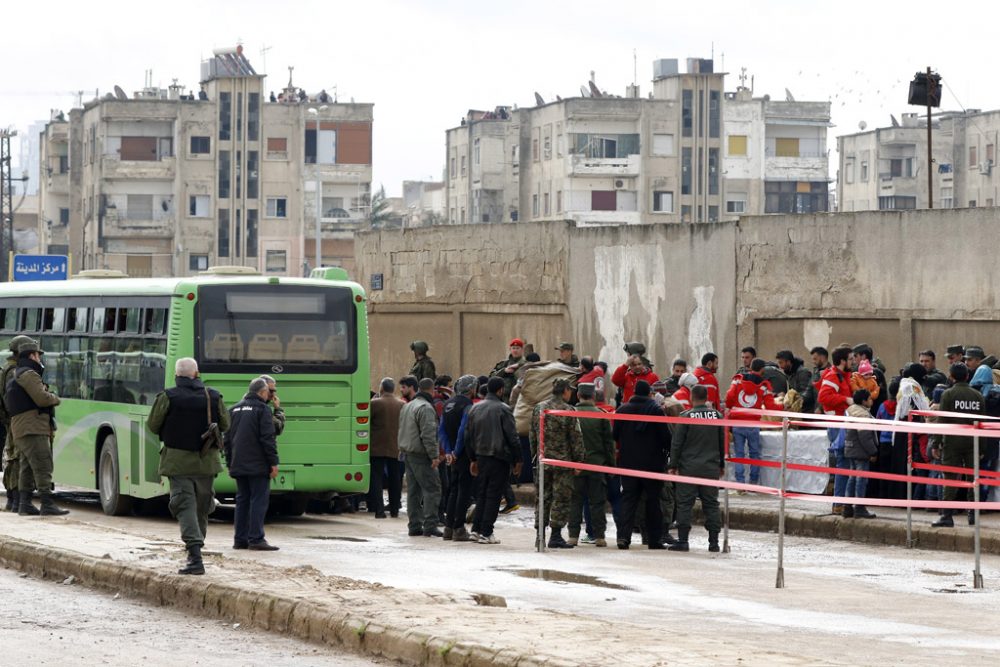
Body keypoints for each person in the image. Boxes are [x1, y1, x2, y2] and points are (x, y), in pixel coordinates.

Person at [147, 358, 229, 575]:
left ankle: (195, 556)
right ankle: (197, 547)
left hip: (178, 462)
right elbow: (226, 424)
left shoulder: (168, 396)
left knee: (185, 506)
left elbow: (153, 426)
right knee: (202, 506)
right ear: (197, 373)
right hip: (207, 462)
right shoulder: (212, 396)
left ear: (177, 374)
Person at [6, 339, 66, 517]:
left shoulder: (18, 373)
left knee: (27, 467)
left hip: (23, 428)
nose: (40, 358)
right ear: (32, 355)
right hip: (32, 427)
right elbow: (42, 398)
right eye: (38, 354)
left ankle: (25, 504)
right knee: (42, 463)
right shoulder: (29, 374)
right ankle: (47, 503)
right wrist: (55, 397)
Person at [464, 377, 522, 544]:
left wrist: (472, 459)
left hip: (481, 456)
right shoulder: (503, 409)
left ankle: (476, 529)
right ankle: (487, 532)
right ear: (501, 390)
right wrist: (518, 460)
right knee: (493, 496)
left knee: (481, 493)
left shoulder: (475, 408)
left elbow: (468, 436)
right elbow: (513, 437)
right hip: (499, 458)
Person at [613, 380, 671, 550]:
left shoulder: (622, 410)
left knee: (629, 500)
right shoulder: (656, 411)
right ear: (649, 394)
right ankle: (654, 540)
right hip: (652, 465)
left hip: (628, 463)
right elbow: (666, 438)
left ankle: (623, 537)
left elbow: (614, 435)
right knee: (653, 501)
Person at [668, 384, 725, 552]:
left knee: (685, 503)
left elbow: (677, 444)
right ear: (706, 397)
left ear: (691, 398)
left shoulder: (685, 416)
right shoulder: (717, 416)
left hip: (689, 468)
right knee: (711, 504)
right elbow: (722, 443)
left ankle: (683, 540)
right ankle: (713, 542)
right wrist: (721, 464)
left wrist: (673, 465)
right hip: (710, 468)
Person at [224, 377, 279, 551]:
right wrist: (273, 462)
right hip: (258, 465)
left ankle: (240, 540)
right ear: (262, 392)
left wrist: (229, 462)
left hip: (238, 463)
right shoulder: (262, 409)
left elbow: (227, 440)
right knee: (258, 501)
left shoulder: (233, 409)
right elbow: (267, 438)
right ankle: (256, 538)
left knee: (242, 501)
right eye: (268, 392)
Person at [529, 378, 583, 548]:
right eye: (570, 390)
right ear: (565, 390)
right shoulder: (568, 410)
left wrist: (535, 455)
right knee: (561, 498)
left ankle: (540, 536)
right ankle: (556, 535)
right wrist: (579, 460)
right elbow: (576, 438)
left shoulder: (539, 407)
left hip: (543, 461)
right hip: (562, 463)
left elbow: (532, 435)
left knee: (542, 498)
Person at [932, 363, 985, 528]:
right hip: (972, 442)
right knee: (973, 478)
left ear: (951, 377)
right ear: (967, 376)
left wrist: (936, 443)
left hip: (952, 443)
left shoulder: (948, 394)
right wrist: (982, 448)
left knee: (950, 478)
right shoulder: (978, 396)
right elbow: (982, 424)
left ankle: (947, 515)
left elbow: (943, 420)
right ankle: (972, 514)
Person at [566, 383, 615, 547]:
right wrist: (611, 465)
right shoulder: (601, 415)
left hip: (575, 466)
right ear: (593, 396)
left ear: (578, 395)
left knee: (575, 501)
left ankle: (573, 536)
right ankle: (599, 536)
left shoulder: (570, 413)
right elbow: (609, 443)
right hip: (596, 465)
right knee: (597, 502)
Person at [725, 358, 782, 487]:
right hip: (753, 424)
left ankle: (740, 484)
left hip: (738, 423)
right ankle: (753, 483)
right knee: (754, 454)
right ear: (762, 370)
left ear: (751, 367)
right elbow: (770, 406)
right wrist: (783, 406)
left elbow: (729, 396)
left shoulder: (738, 379)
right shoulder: (764, 385)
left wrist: (730, 407)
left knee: (739, 455)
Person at [397, 376, 443, 537]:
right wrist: (434, 456)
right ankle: (430, 525)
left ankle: (414, 525)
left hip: (408, 454)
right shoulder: (426, 408)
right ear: (431, 390)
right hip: (421, 455)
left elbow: (402, 430)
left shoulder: (408, 406)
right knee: (432, 489)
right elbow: (428, 435)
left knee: (413, 492)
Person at [439, 374, 477, 540]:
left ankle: (448, 527)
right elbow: (463, 430)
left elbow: (441, 430)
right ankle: (459, 528)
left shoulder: (448, 404)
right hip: (463, 454)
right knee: (464, 491)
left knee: (453, 489)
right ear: (471, 389)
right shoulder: (468, 405)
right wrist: (456, 451)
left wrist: (448, 451)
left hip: (451, 455)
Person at [818, 346, 854, 514]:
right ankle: (838, 503)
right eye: (851, 359)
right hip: (837, 424)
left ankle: (842, 502)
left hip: (842, 422)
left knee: (845, 463)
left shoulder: (842, 376)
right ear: (842, 361)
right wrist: (845, 399)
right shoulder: (834, 376)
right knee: (843, 463)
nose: (853, 361)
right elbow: (823, 397)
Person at [1, 334, 34, 512]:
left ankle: (14, 498)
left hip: (13, 418)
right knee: (17, 458)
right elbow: (11, 399)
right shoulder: (13, 372)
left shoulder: (10, 369)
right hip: (16, 419)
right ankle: (15, 498)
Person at [888, 363, 929, 499]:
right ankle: (905, 495)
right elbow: (920, 408)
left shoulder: (905, 384)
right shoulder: (911, 386)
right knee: (907, 460)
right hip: (909, 428)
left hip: (903, 428)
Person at [369, 378, 403, 519]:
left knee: (376, 477)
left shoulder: (374, 403)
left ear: (381, 388)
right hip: (395, 446)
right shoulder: (402, 404)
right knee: (395, 478)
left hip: (377, 446)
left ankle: (379, 510)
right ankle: (394, 509)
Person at [844, 389, 878, 519]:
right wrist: (873, 451)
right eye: (870, 398)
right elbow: (865, 436)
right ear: (864, 401)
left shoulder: (851, 410)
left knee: (852, 478)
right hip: (860, 451)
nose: (872, 400)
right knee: (861, 479)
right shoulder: (862, 415)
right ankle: (859, 507)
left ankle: (847, 507)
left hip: (850, 448)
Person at [490, 338, 527, 403]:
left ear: (522, 350)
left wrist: (518, 367)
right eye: (513, 348)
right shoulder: (504, 364)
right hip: (503, 399)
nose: (515, 350)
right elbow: (491, 377)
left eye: (517, 348)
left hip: (519, 400)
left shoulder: (526, 364)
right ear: (510, 349)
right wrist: (504, 371)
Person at [804, 346, 831, 414]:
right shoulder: (815, 372)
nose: (813, 362)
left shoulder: (832, 372)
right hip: (815, 410)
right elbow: (809, 390)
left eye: (815, 359)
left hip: (827, 411)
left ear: (823, 358)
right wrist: (799, 399)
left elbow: (830, 393)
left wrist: (820, 407)